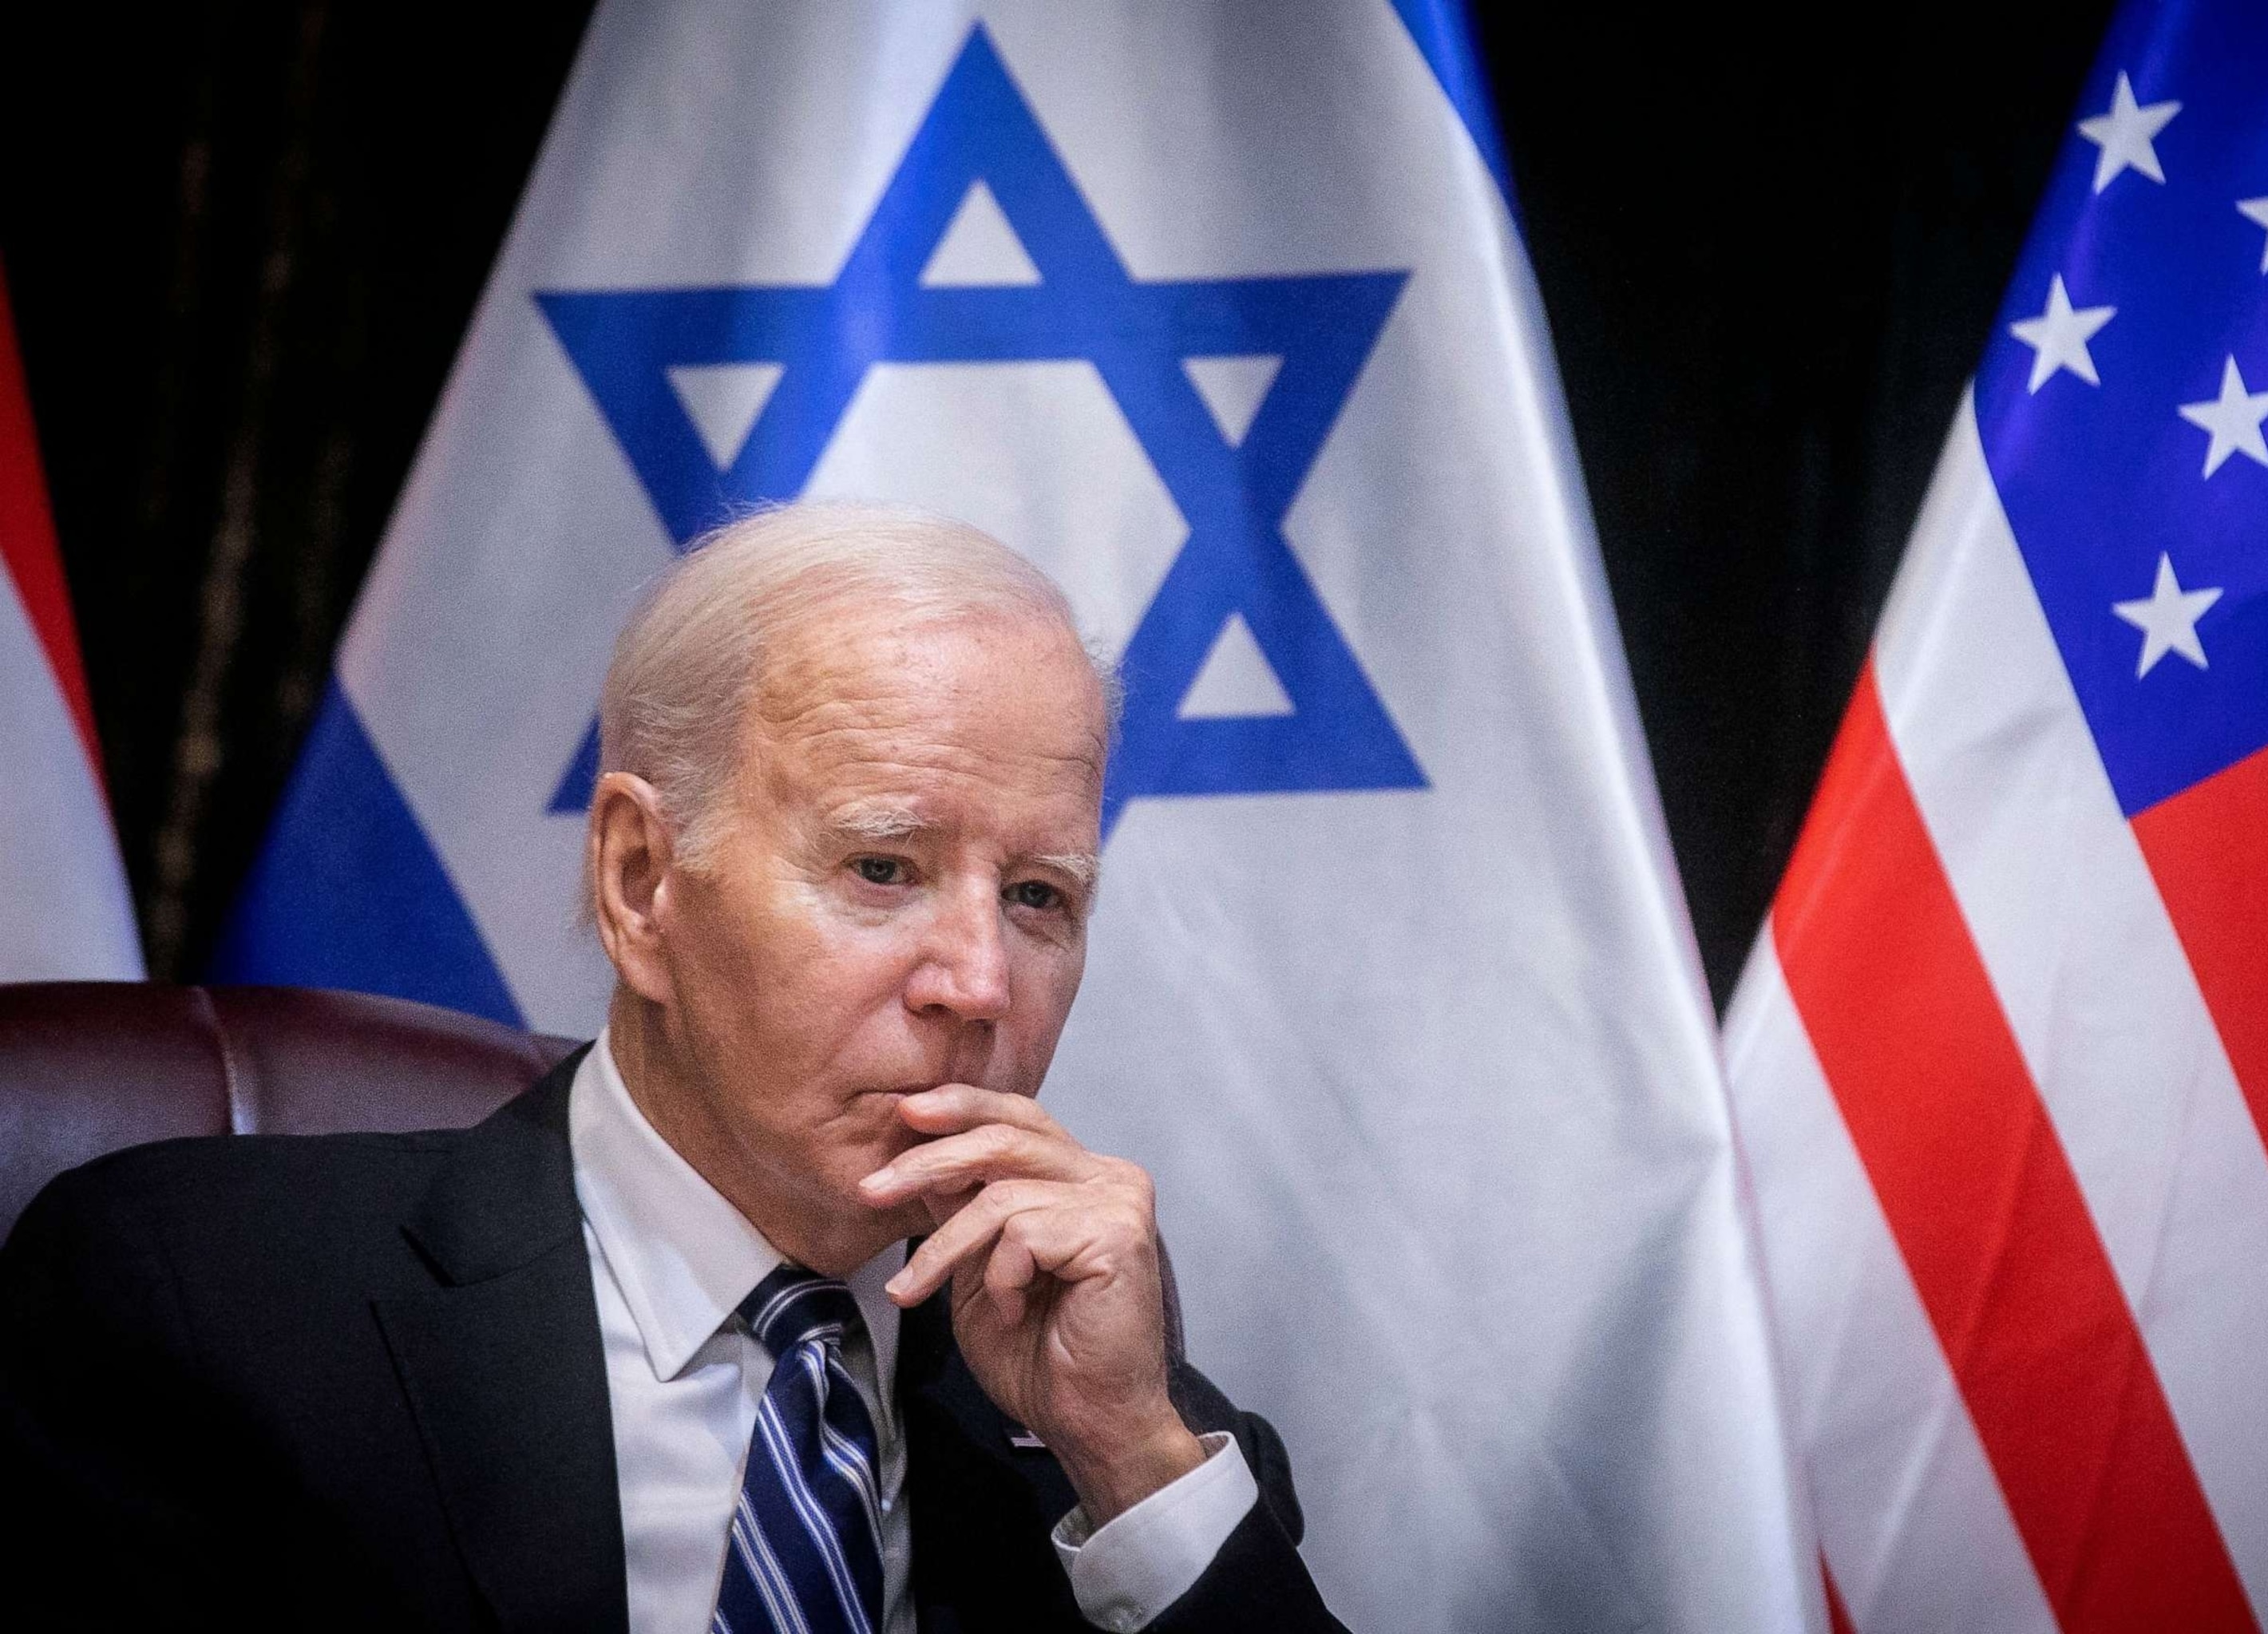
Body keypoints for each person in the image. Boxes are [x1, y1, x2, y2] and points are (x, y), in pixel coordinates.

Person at [0, 502, 1344, 1633]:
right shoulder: (199, 1299)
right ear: (643, 881)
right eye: (883, 868)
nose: (980, 985)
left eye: (1041, 897)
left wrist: (1133, 1460)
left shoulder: (1127, 1446)